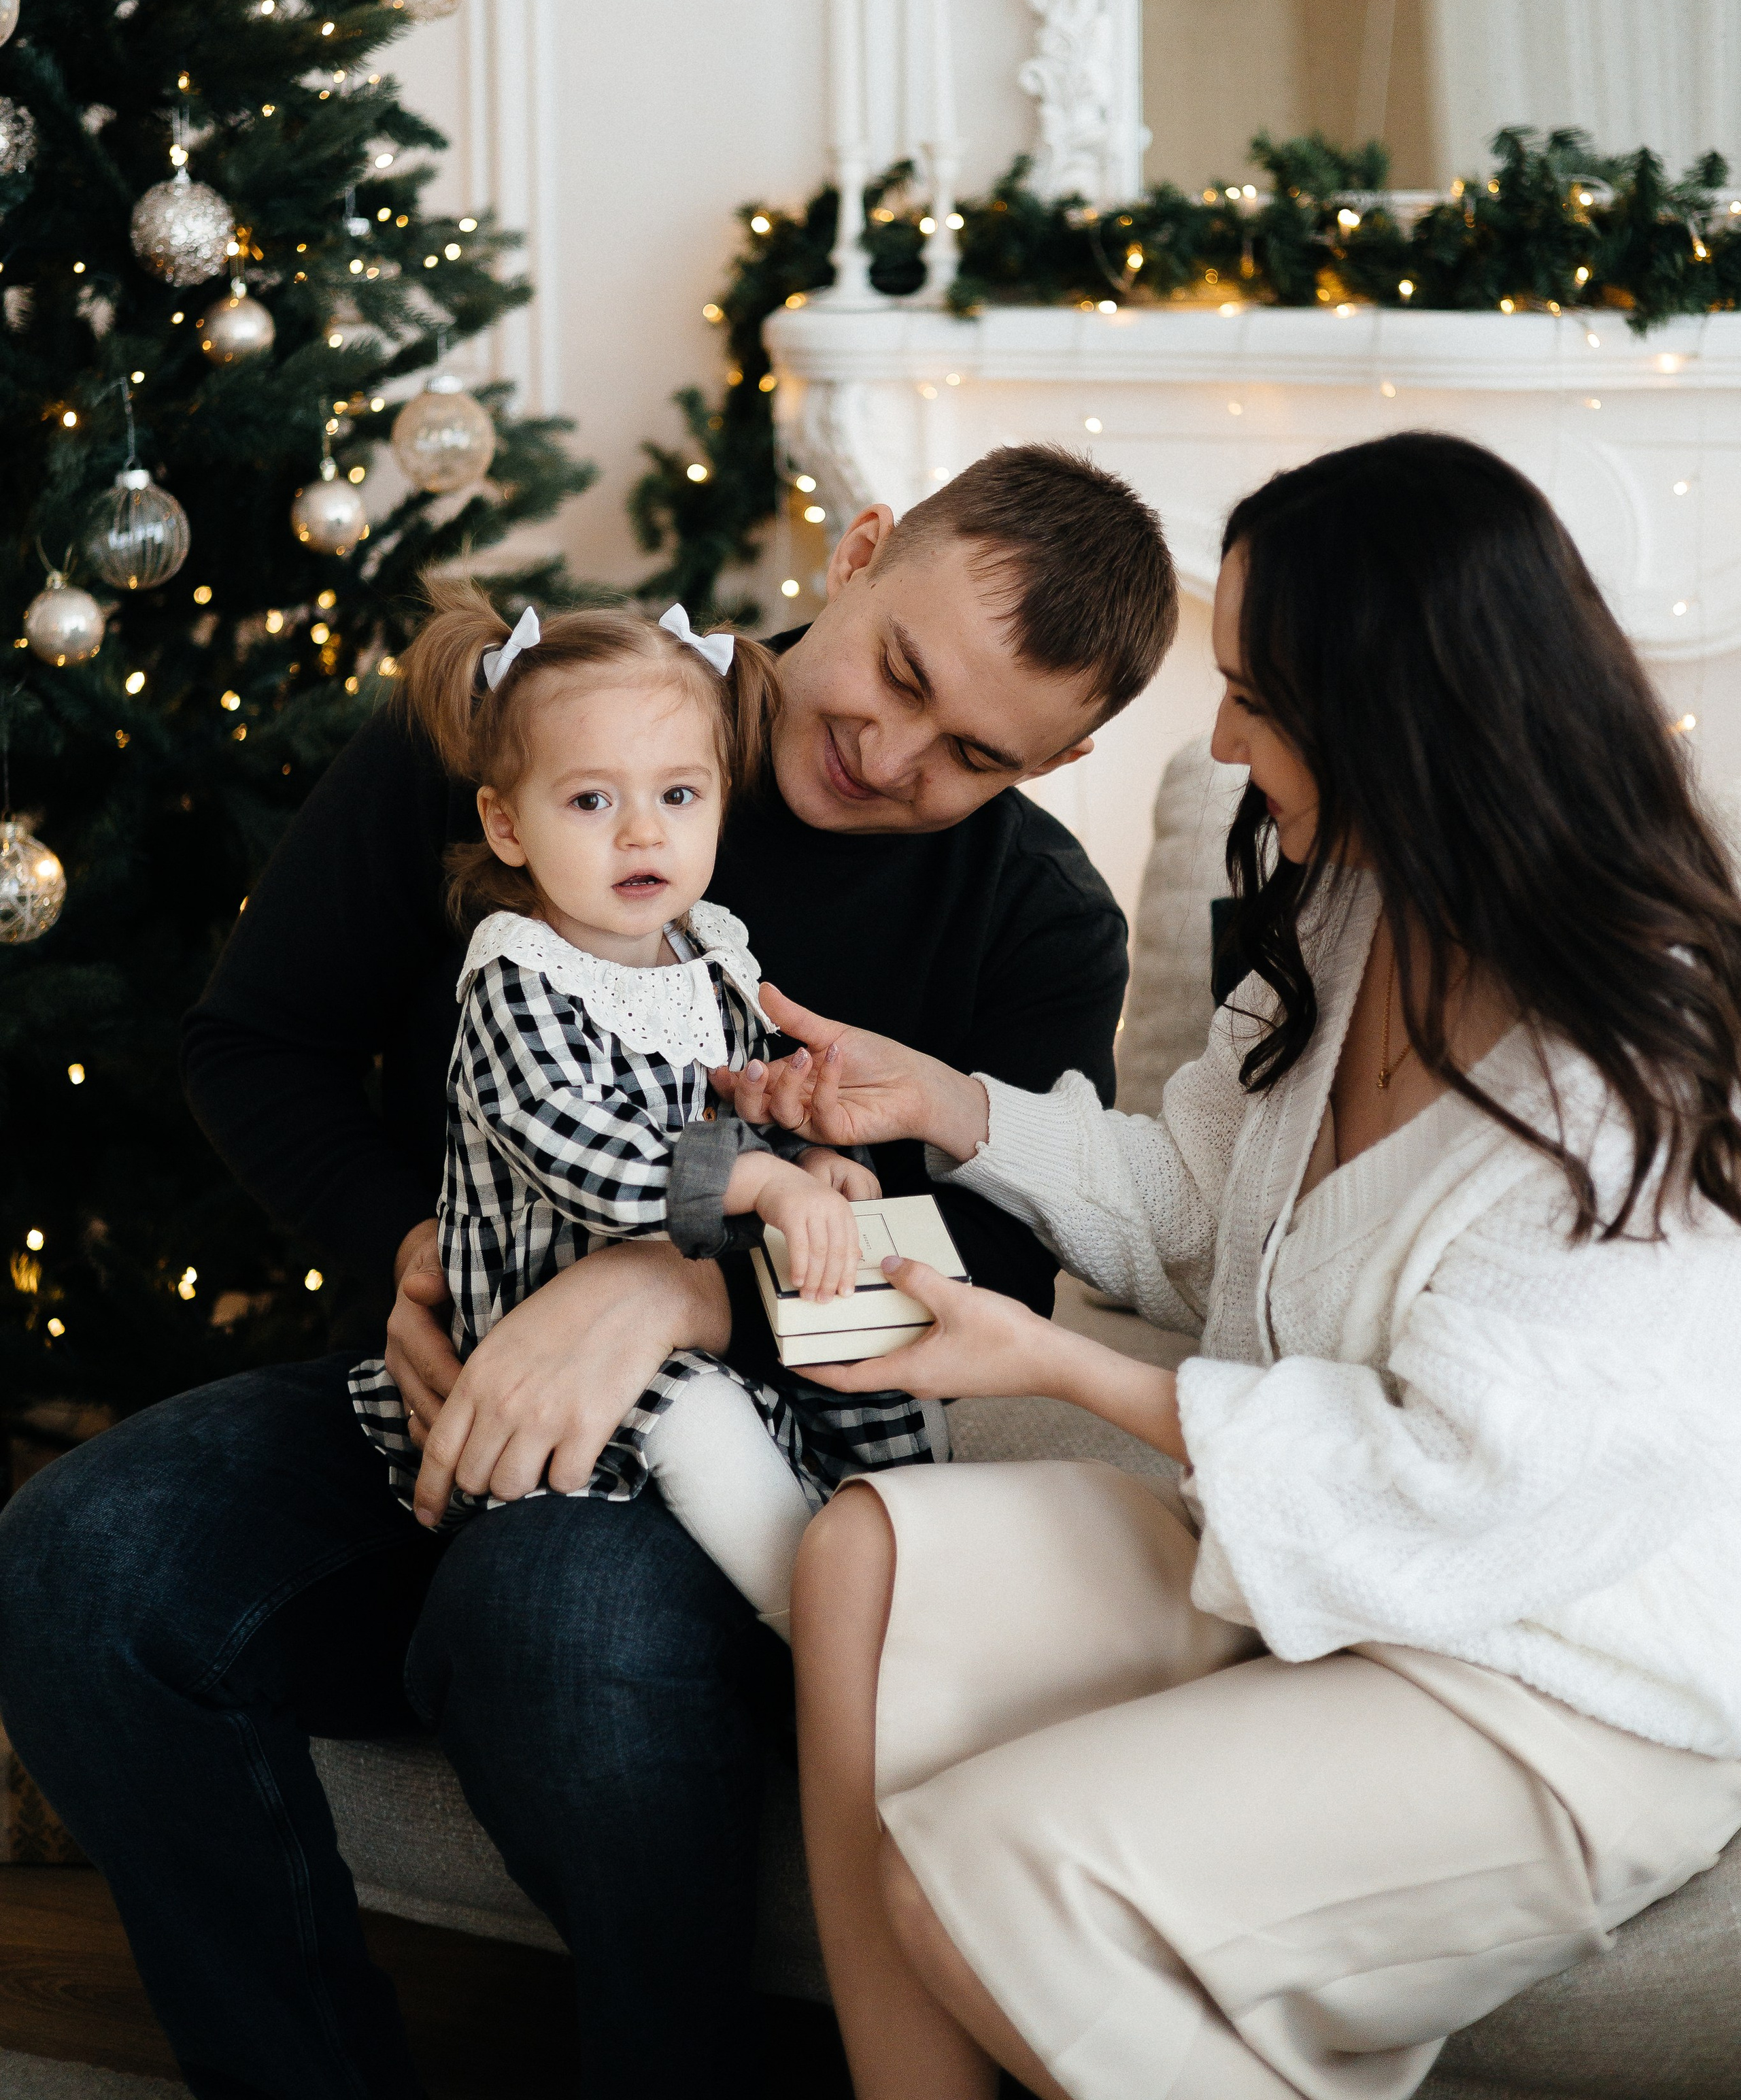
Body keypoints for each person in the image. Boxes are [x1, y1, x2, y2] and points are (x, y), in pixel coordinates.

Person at [0, 444, 1177, 2100]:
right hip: (421, 1400)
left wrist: (665, 1291)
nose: (887, 750)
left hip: (736, 1480)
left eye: (974, 753)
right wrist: (420, 1252)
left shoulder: (1037, 921)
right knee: (76, 1562)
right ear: (858, 549)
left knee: (555, 1611)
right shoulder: (540, 717)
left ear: (1066, 756)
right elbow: (254, 1042)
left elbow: (989, 1276)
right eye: (898, 671)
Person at [728, 433, 1741, 2100]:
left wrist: (1056, 1366)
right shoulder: (1343, 919)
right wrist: (944, 1102)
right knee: (865, 1556)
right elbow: (1198, 1210)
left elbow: (1463, 1484)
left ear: (1394, 714)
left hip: (1551, 1680)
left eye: (1254, 695)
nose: (1217, 737)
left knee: (975, 1880)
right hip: (1307, 1583)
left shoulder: (1634, 1066)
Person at [352, 581, 935, 1639]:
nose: (640, 835)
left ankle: (923, 1565)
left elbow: (747, 1091)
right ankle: (824, 1633)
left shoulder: (711, 948)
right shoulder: (516, 975)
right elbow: (581, 1147)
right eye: (590, 801)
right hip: (551, 1328)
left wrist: (805, 1147)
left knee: (878, 1338)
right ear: (506, 822)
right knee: (703, 1424)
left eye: (678, 796)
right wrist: (758, 1177)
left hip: (705, 1295)